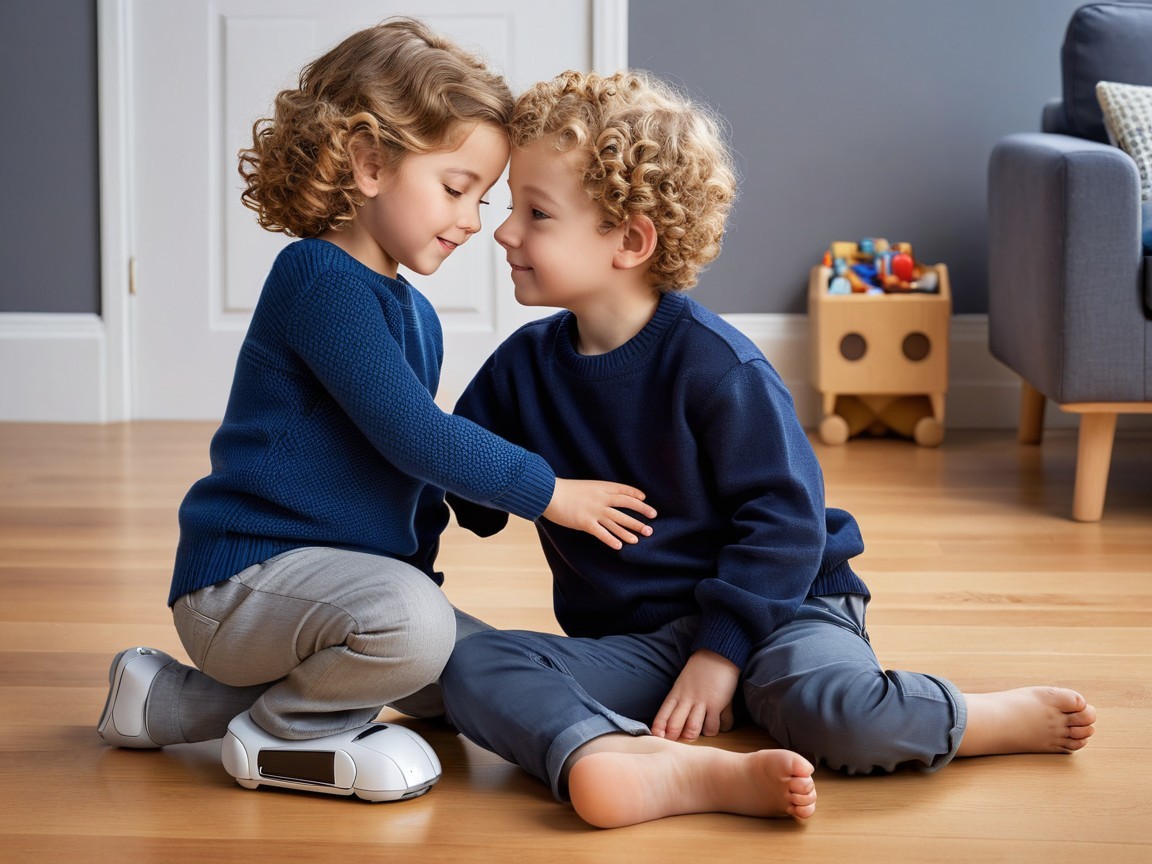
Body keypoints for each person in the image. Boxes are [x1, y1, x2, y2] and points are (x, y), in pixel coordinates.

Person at [437, 69, 1097, 829]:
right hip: (642, 644)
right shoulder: (521, 369)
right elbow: (468, 492)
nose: (505, 232)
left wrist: (719, 657)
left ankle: (978, 718)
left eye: (536, 213)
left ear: (631, 240)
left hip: (785, 608)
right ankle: (625, 760)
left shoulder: (719, 367)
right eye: (511, 208)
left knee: (840, 715)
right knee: (467, 663)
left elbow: (787, 523)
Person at [95, 21, 656, 800]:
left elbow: (406, 476)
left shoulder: (415, 315)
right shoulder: (317, 280)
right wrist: (549, 492)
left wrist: (434, 552)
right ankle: (284, 736)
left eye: (481, 198)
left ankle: (165, 703)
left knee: (469, 663)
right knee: (416, 626)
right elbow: (414, 436)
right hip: (245, 585)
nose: (474, 221)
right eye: (456, 189)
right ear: (368, 163)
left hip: (334, 591)